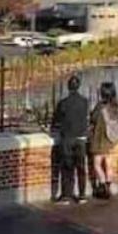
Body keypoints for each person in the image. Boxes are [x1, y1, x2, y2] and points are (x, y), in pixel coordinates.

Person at [50, 74, 91, 205]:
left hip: (67, 138)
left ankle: (66, 196)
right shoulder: (85, 102)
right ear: (78, 86)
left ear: (68, 87)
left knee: (67, 167)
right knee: (81, 167)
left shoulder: (63, 103)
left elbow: (56, 121)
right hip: (81, 139)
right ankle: (82, 194)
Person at [89, 81, 118, 200]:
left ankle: (102, 186)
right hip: (110, 139)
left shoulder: (100, 107)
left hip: (99, 138)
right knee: (108, 163)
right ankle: (108, 185)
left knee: (97, 164)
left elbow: (93, 119)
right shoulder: (115, 106)